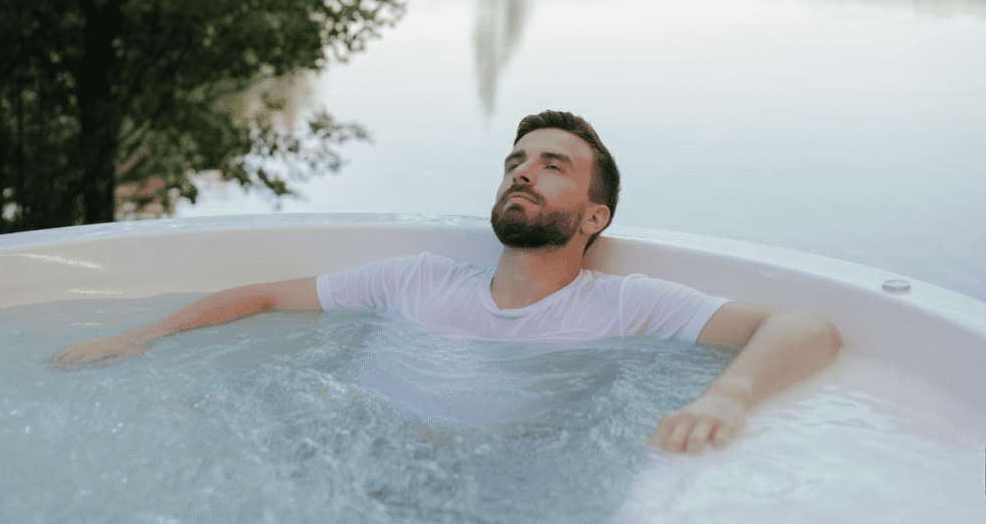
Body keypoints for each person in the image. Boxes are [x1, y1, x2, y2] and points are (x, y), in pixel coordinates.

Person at [45, 110, 843, 455]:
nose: (522, 173)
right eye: (515, 163)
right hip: (334, 444)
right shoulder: (415, 279)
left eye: (550, 166)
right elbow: (261, 295)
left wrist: (724, 397)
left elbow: (808, 325)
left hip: (471, 477)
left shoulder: (622, 304)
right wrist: (143, 335)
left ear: (594, 217)